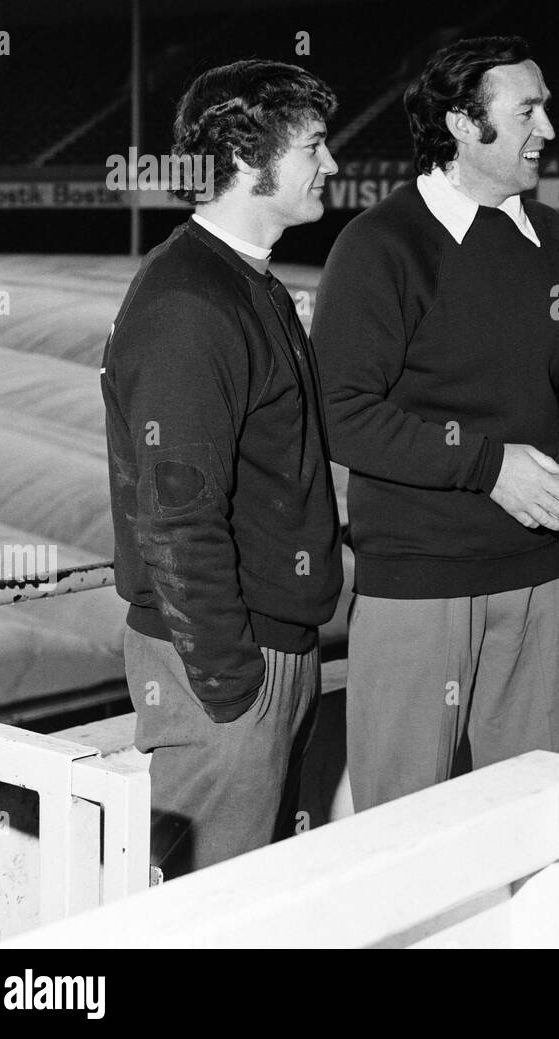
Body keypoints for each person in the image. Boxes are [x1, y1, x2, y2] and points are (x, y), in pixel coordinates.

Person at [311, 36, 559, 809]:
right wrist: (493, 467)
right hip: (416, 591)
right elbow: (343, 414)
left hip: (532, 581)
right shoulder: (379, 246)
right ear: (462, 123)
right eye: (527, 110)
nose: (548, 129)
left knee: (529, 820)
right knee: (403, 829)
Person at [102, 60, 344, 879]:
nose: (332, 164)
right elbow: (175, 520)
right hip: (226, 669)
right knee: (206, 918)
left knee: (248, 906)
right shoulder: (190, 303)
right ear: (248, 159)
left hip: (262, 654)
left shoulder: (244, 281)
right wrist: (234, 686)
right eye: (315, 146)